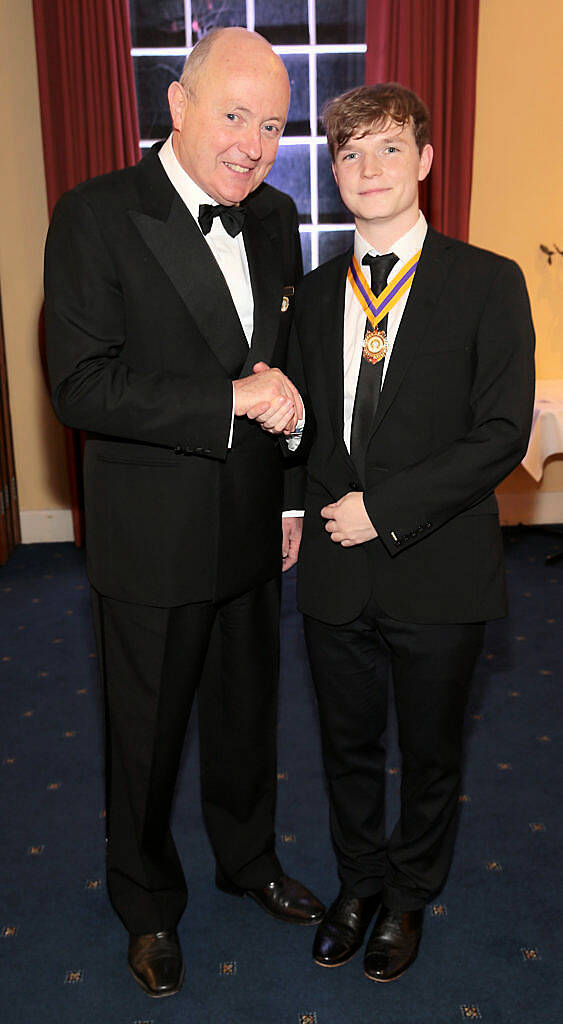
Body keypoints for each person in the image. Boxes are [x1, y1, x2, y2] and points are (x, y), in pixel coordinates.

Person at [44, 27, 324, 999]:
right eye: (232, 113)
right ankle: (146, 902)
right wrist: (225, 402)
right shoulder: (95, 214)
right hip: (153, 536)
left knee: (247, 719)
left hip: (253, 521)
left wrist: (289, 494)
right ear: (177, 103)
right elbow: (80, 385)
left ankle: (247, 862)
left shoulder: (281, 216)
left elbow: (283, 369)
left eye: (272, 124)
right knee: (147, 736)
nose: (250, 141)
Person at [292, 83, 534, 982]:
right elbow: (302, 427)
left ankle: (405, 896)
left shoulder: (487, 281)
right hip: (332, 573)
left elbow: (500, 434)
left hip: (438, 568)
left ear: (425, 161)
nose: (368, 169)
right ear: (334, 173)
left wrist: (382, 510)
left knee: (430, 753)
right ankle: (357, 882)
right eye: (349, 154)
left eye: (388, 149)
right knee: (346, 746)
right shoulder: (312, 295)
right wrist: (290, 508)